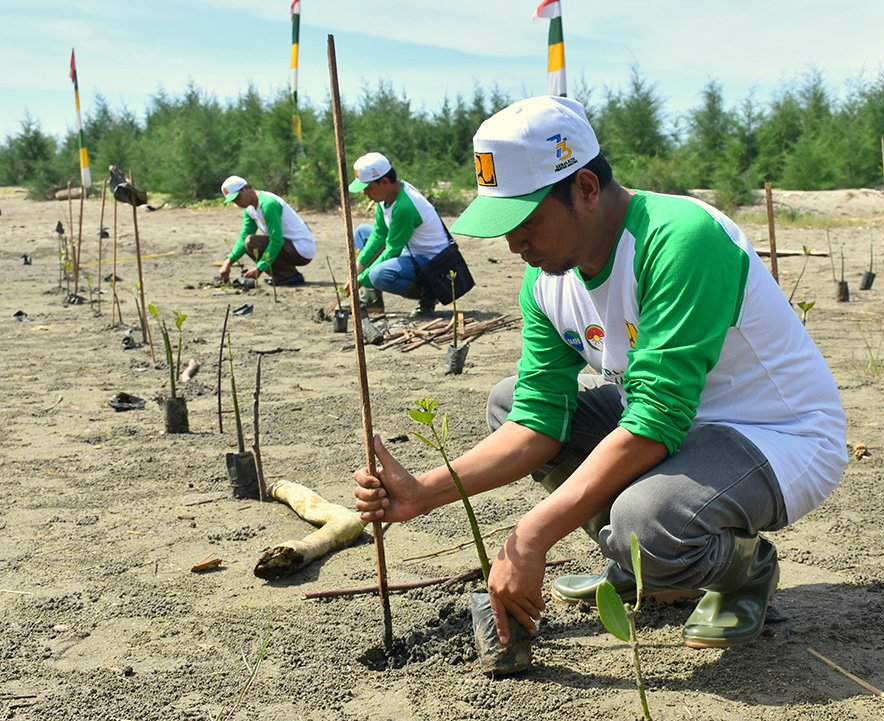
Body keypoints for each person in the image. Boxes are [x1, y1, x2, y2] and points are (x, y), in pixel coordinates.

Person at [353, 96, 847, 650]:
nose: (514, 245)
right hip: (673, 423)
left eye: (526, 221)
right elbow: (537, 422)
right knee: (506, 402)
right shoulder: (547, 279)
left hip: (772, 433)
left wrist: (531, 537)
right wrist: (424, 492)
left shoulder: (680, 238)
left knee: (650, 526)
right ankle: (636, 564)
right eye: (503, 226)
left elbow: (657, 419)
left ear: (586, 189)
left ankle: (742, 569)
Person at [347, 152, 451, 317]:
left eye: (368, 188)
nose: (365, 194)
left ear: (384, 182)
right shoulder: (386, 196)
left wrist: (362, 279)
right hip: (409, 250)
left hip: (431, 262)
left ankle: (429, 294)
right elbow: (380, 233)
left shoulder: (404, 207)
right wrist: (359, 264)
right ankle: (371, 301)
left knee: (379, 275)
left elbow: (392, 249)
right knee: (362, 233)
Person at [218, 176, 315, 286]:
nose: (237, 203)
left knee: (252, 241)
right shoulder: (249, 208)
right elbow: (243, 236)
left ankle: (288, 275)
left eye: (237, 197)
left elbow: (276, 240)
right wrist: (228, 262)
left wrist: (260, 268)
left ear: (245, 188)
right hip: (287, 246)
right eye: (233, 201)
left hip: (301, 248)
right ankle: (287, 276)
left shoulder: (268, 204)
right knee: (248, 241)